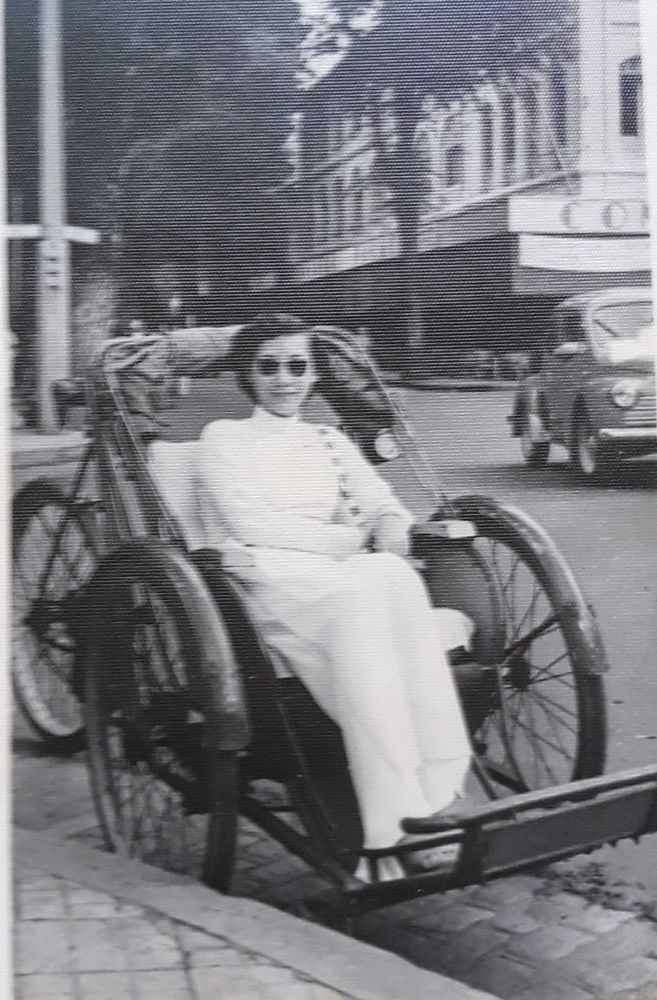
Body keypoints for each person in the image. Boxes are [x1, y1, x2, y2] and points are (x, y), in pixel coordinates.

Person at [195, 313, 473, 879]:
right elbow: (253, 525)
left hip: (338, 574)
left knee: (393, 578)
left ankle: (442, 786)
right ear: (248, 376)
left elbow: (379, 498)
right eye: (267, 366)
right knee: (364, 594)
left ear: (313, 373)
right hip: (270, 575)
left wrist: (390, 522)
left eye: (297, 366)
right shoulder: (224, 438)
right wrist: (351, 539)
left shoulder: (328, 439)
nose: (283, 378)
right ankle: (390, 828)